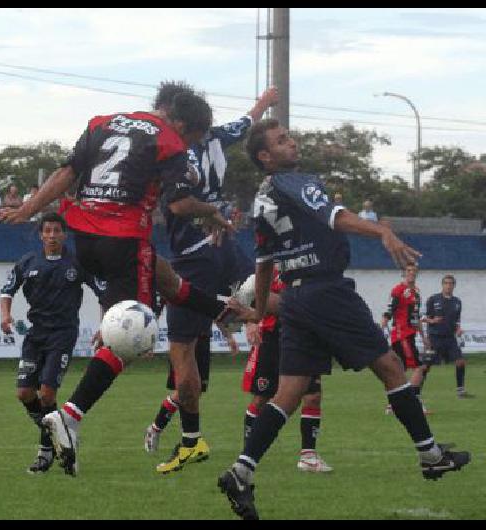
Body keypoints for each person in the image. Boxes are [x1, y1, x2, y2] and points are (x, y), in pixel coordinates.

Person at [216, 119, 469, 520]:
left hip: (296, 298)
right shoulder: (294, 181)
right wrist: (382, 231)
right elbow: (334, 215)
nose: (291, 142)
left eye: (289, 136)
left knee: (289, 392)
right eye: (281, 141)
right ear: (265, 157)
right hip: (326, 290)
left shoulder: (261, 201)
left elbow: (265, 265)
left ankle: (241, 471)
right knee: (390, 367)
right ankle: (431, 456)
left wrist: (260, 310)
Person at [0, 87, 234, 476]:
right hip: (124, 236)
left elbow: (66, 174)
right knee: (132, 336)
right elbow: (178, 205)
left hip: (84, 237)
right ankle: (70, 417)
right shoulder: (169, 139)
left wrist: (27, 209)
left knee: (166, 278)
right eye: (192, 139)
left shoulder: (102, 123)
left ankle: (229, 311)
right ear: (181, 124)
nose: (188, 146)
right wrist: (213, 210)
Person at [145, 82, 277, 474]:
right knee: (259, 300)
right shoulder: (219, 136)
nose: (156, 122)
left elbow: (180, 203)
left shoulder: (172, 151)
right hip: (226, 248)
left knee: (181, 351)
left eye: (160, 116)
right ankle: (306, 316)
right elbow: (246, 122)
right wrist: (265, 102)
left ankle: (191, 441)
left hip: (192, 255)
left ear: (174, 117)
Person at [0, 212, 106, 474]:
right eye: (47, 231)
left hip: (63, 333)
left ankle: (45, 453)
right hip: (36, 335)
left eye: (57, 231)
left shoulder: (77, 263)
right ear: (41, 235)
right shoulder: (28, 262)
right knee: (24, 393)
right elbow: (6, 291)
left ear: (64, 234)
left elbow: (103, 293)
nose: (52, 235)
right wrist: (5, 315)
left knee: (47, 394)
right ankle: (62, 436)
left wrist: (104, 326)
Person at [227, 268, 332, 473]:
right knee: (261, 398)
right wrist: (251, 323)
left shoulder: (312, 268)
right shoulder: (271, 269)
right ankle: (248, 451)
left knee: (313, 395)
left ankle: (308, 456)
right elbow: (251, 294)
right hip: (272, 338)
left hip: (304, 337)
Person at [381, 263, 432, 414]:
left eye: (414, 271)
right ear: (404, 273)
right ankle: (415, 404)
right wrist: (380, 329)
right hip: (401, 335)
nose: (411, 273)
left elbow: (416, 318)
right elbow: (389, 311)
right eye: (408, 270)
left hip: (409, 334)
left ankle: (392, 405)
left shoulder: (416, 293)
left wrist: (423, 337)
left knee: (397, 371)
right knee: (419, 368)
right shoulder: (398, 290)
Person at [425, 275, 473, 399]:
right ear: (442, 285)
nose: (448, 285)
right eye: (446, 283)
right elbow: (423, 318)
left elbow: (457, 320)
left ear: (454, 285)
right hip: (435, 337)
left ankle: (460, 391)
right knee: (426, 366)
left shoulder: (457, 302)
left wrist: (458, 329)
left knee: (460, 362)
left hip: (450, 339)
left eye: (451, 283)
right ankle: (415, 391)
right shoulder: (433, 299)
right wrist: (432, 322)